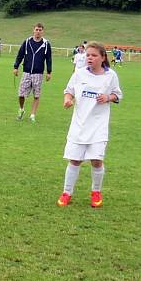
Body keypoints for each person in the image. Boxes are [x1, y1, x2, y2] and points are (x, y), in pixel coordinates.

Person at [56, 42, 123, 209]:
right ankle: (66, 193)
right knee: (74, 160)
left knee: (96, 161)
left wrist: (108, 98)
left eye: (93, 55)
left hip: (98, 126)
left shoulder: (111, 75)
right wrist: (68, 99)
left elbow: (117, 94)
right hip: (79, 124)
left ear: (102, 57)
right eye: (88, 55)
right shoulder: (79, 74)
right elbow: (68, 90)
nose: (90, 58)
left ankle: (96, 192)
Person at [13, 23, 52, 123]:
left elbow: (48, 59)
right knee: (21, 94)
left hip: (38, 73)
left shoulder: (46, 44)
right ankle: (21, 109)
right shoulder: (27, 42)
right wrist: (16, 67)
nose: (38, 31)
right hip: (26, 72)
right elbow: (20, 55)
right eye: (36, 29)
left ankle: (32, 115)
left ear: (42, 31)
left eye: (40, 30)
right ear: (33, 30)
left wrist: (49, 72)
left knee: (36, 95)